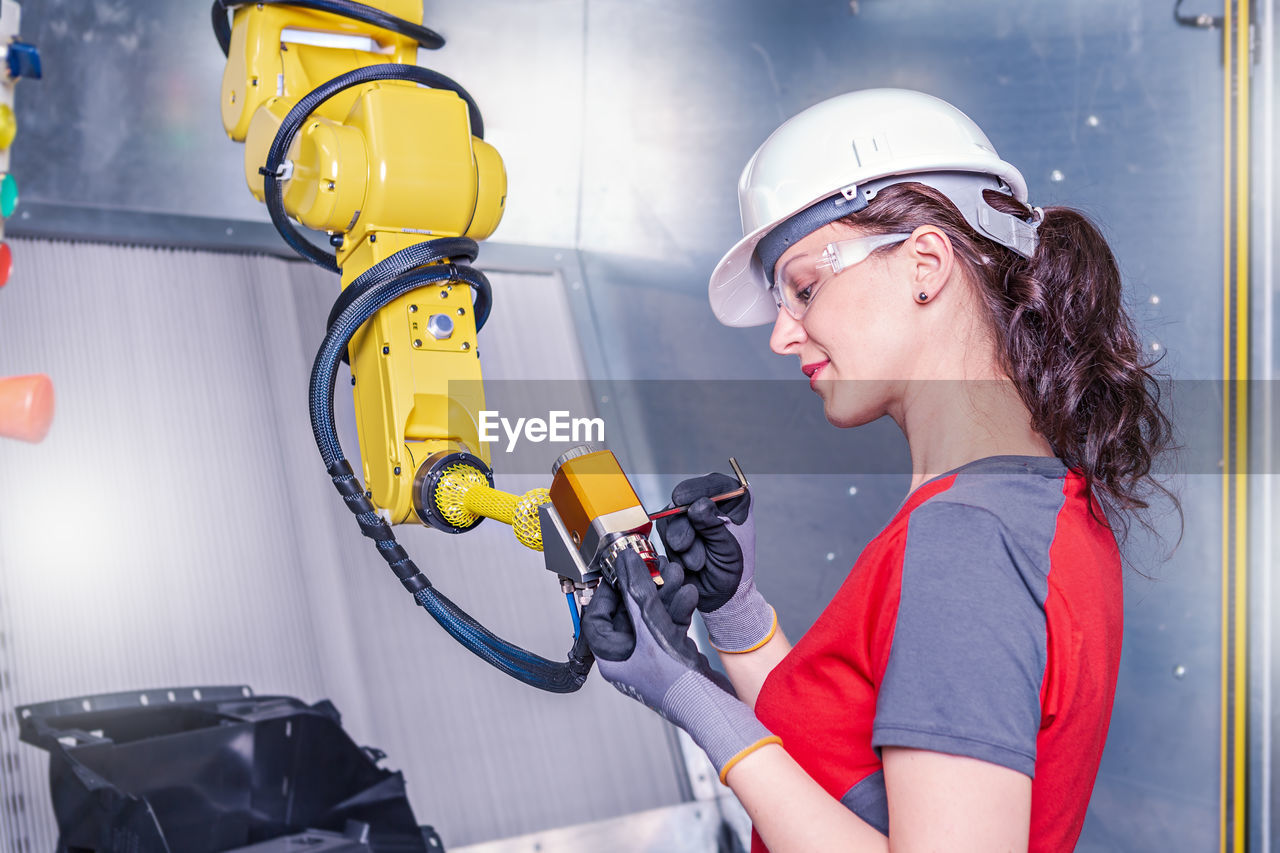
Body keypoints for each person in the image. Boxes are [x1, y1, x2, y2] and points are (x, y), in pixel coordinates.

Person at [581, 88, 1178, 852]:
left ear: (924, 262)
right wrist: (737, 622)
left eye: (802, 288)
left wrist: (695, 703)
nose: (783, 335)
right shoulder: (1033, 503)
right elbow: (855, 782)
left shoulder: (965, 539)